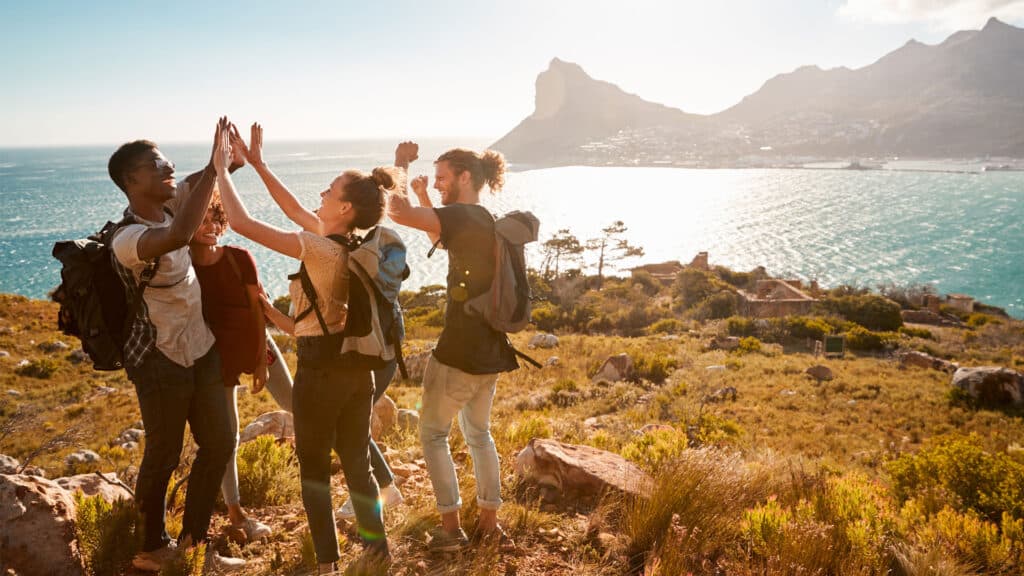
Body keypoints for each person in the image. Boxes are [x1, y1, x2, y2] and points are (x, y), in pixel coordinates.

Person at [214, 123, 394, 573]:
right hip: (357, 373)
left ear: (345, 206)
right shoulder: (347, 245)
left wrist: (222, 170)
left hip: (320, 376)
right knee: (357, 464)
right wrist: (257, 164)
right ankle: (377, 554)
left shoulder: (318, 248)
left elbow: (240, 224)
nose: (321, 193)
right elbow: (294, 210)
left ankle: (327, 566)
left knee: (313, 471)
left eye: (330, 190)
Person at [107, 118, 242, 572]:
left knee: (220, 442)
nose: (168, 166)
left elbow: (214, 177)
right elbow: (181, 235)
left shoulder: (174, 202)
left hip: (201, 346)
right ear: (131, 180)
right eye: (155, 164)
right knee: (164, 453)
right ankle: (151, 547)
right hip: (159, 357)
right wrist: (211, 169)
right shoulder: (126, 239)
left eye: (166, 159)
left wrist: (223, 160)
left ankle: (193, 541)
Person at [387, 147, 519, 551]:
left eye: (442, 176)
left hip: (459, 351)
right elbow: (442, 238)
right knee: (479, 435)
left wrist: (401, 165)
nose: (438, 181)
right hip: (491, 351)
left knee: (432, 435)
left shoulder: (464, 215)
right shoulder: (481, 220)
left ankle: (449, 531)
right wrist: (428, 198)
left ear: (464, 177)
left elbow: (397, 212)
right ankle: (489, 524)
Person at [188, 191, 294, 542]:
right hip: (216, 357)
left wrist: (260, 362)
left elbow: (257, 311)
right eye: (201, 221)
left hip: (256, 342)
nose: (210, 228)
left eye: (215, 220)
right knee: (226, 437)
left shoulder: (238, 257)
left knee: (297, 405)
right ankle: (236, 512)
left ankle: (358, 470)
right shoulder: (182, 266)